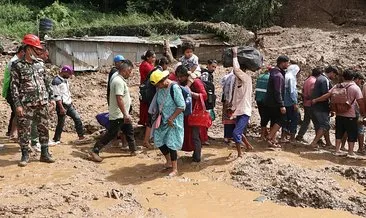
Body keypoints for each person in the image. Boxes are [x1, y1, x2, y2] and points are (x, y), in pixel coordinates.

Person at [11, 34, 55, 167]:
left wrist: (51, 99)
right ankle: (25, 155)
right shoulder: (17, 65)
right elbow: (14, 87)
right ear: (28, 48)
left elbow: (47, 83)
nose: (38, 51)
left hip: (42, 102)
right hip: (26, 105)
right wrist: (18, 105)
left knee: (44, 128)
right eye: (36, 48)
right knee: (24, 129)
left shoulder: (40, 64)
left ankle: (45, 153)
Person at [90, 60, 137, 162]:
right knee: (111, 133)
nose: (131, 74)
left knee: (129, 131)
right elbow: (119, 98)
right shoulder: (118, 81)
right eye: (130, 72)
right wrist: (125, 113)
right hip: (119, 114)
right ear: (125, 71)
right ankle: (95, 150)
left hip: (123, 113)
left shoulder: (119, 80)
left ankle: (133, 150)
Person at [312, 69, 365, 156]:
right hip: (351, 115)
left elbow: (327, 95)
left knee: (339, 132)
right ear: (353, 77)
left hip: (339, 113)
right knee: (351, 132)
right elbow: (360, 102)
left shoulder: (337, 86)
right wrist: (363, 113)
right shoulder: (355, 88)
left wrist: (316, 100)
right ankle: (350, 152)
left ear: (343, 77)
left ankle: (337, 150)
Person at [149, 69, 185, 176]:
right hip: (163, 120)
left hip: (174, 121)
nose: (157, 87)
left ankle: (175, 169)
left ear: (163, 80)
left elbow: (182, 106)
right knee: (158, 139)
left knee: (171, 143)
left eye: (158, 84)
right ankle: (168, 161)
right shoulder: (160, 89)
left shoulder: (174, 88)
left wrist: (172, 118)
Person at [176, 65, 207, 162]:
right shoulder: (181, 83)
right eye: (178, 77)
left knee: (195, 135)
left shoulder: (196, 82)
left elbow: (204, 96)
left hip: (195, 114)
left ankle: (197, 158)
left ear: (186, 75)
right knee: (185, 133)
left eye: (182, 76)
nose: (180, 79)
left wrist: (191, 93)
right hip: (185, 113)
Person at [50, 65, 85, 145]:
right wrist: (61, 108)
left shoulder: (65, 80)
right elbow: (57, 96)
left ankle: (81, 136)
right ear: (65, 72)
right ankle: (56, 139)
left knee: (77, 118)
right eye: (69, 74)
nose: (70, 76)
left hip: (68, 104)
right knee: (61, 123)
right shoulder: (56, 81)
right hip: (62, 105)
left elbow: (66, 93)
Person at [231, 47, 253, 157]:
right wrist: (232, 108)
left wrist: (235, 55)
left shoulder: (246, 78)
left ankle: (239, 153)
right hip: (239, 110)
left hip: (244, 111)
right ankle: (248, 146)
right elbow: (236, 96)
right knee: (238, 131)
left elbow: (236, 69)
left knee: (236, 133)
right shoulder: (238, 81)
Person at [309, 66, 338, 149]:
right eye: (334, 75)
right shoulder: (324, 80)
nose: (334, 77)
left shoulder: (320, 78)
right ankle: (314, 142)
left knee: (323, 125)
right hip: (321, 107)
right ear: (331, 72)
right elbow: (326, 95)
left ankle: (328, 143)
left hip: (317, 106)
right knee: (325, 125)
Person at [264, 55, 290, 147]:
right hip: (275, 102)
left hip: (270, 102)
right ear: (282, 63)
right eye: (287, 63)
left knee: (274, 120)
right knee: (282, 119)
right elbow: (277, 91)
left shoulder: (274, 72)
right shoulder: (278, 75)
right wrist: (281, 104)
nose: (288, 64)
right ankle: (270, 137)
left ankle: (272, 140)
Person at [2, 45, 25, 140]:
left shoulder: (15, 61)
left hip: (11, 90)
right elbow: (14, 80)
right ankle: (13, 134)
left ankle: (10, 132)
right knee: (18, 112)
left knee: (15, 112)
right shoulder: (14, 62)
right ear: (22, 52)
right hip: (11, 90)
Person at [296, 67, 322, 142]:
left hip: (306, 103)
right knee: (316, 122)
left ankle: (300, 135)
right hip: (311, 104)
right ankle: (318, 139)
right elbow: (312, 93)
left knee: (306, 121)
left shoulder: (307, 80)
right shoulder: (314, 82)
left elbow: (303, 91)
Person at [200, 59, 218, 145]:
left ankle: (205, 135)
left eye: (215, 67)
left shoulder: (209, 74)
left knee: (208, 118)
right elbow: (204, 87)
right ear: (208, 65)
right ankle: (203, 137)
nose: (214, 68)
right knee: (204, 119)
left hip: (209, 99)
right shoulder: (205, 74)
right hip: (206, 100)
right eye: (212, 66)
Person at [282, 64, 301, 142]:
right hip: (290, 103)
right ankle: (292, 138)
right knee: (294, 119)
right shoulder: (291, 78)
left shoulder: (285, 76)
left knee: (285, 119)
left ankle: (283, 136)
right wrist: (295, 102)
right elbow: (292, 91)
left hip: (284, 102)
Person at [139, 50, 156, 126]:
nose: (154, 59)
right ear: (148, 57)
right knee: (146, 105)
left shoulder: (147, 64)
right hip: (147, 88)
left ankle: (145, 121)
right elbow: (154, 73)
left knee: (145, 104)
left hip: (146, 86)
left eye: (154, 57)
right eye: (152, 57)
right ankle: (146, 122)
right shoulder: (146, 65)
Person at [255, 66, 271, 140]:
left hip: (258, 99)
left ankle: (264, 133)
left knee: (262, 116)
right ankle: (263, 135)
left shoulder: (260, 76)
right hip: (266, 100)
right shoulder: (270, 78)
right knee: (266, 117)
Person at [221, 70, 236, 144]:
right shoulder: (233, 78)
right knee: (231, 118)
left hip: (226, 100)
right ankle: (230, 137)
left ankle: (227, 136)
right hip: (230, 100)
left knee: (228, 118)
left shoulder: (227, 77)